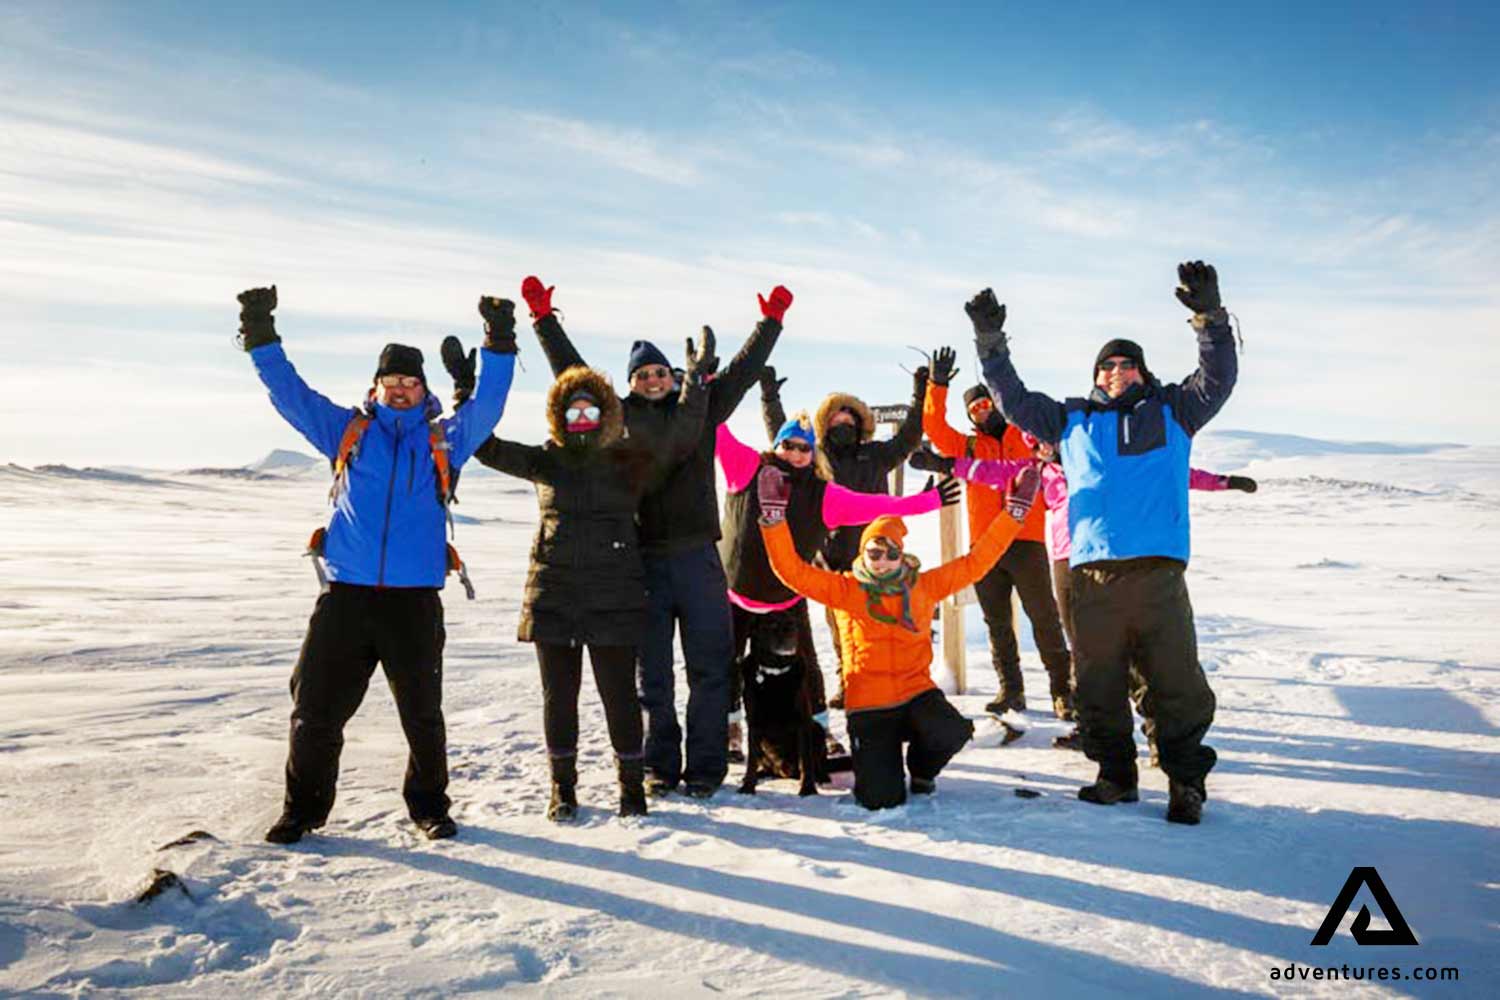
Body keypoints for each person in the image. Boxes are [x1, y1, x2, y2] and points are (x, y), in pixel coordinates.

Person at [238, 286, 517, 844]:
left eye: (411, 383)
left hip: (413, 602)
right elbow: (290, 393)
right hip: (346, 597)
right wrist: (260, 330)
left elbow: (487, 404)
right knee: (314, 711)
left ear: (423, 389)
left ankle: (430, 807)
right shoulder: (346, 432)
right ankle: (302, 812)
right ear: (376, 388)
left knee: (422, 715)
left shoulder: (444, 440)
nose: (402, 391)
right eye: (392, 384)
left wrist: (499, 340)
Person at [972, 260, 1239, 825]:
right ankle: (1116, 776)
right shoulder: (1071, 419)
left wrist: (1209, 317)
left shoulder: (1175, 411)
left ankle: (1185, 781)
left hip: (1159, 575)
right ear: (1097, 374)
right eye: (1108, 364)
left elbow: (1218, 378)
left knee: (1176, 681)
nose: (1118, 370)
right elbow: (1013, 400)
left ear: (1142, 370)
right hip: (1092, 576)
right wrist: (991, 343)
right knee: (1097, 682)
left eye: (1128, 363)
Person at [522, 276, 790, 798]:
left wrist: (770, 324)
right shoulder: (616, 419)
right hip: (640, 562)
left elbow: (740, 373)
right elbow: (573, 375)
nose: (651, 379)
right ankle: (659, 767)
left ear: (674, 375)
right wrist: (543, 320)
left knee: (711, 669)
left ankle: (707, 770)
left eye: (659, 371)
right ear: (631, 382)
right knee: (654, 678)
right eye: (642, 374)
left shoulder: (703, 407)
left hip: (697, 559)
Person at [469, 330, 714, 821]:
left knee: (620, 696)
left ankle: (632, 788)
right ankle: (563, 789)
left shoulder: (629, 462)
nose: (583, 419)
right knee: (558, 699)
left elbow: (682, 437)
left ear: (606, 414)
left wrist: (697, 386)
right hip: (555, 595)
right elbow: (486, 449)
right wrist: (463, 392)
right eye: (573, 412)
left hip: (614, 595)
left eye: (591, 410)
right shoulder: (545, 459)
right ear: (560, 417)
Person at [924, 434, 1257, 750]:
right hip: (1065, 562)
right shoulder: (1036, 470)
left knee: (1127, 648)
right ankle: (1089, 726)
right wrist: (944, 466)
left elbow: (1164, 474)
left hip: (1105, 559)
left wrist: (1224, 482)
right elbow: (987, 470)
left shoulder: (1096, 459)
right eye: (1035, 445)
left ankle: (1157, 730)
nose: (1041, 449)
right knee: (1084, 650)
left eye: (1045, 442)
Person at [757, 465, 1040, 809]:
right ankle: (880, 765)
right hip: (869, 706)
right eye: (875, 552)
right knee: (880, 799)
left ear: (901, 555)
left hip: (914, 694)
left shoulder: (923, 585)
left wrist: (1014, 514)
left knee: (951, 730)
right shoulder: (845, 589)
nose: (882, 561)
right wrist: (773, 519)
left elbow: (976, 562)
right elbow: (792, 570)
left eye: (891, 553)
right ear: (864, 553)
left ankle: (922, 770)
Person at [715, 415, 961, 769]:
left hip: (787, 595)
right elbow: (718, 429)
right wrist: (701, 385)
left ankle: (820, 731)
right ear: (776, 446)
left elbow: (876, 505)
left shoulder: (825, 496)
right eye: (788, 446)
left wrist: (927, 502)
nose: (796, 454)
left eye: (804, 449)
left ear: (813, 455)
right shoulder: (748, 469)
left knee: (807, 668)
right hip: (737, 593)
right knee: (727, 664)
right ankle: (729, 727)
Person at [759, 365, 928, 707]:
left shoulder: (877, 455)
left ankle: (900, 684)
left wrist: (920, 394)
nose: (843, 427)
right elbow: (783, 439)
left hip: (878, 559)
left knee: (888, 624)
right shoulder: (817, 458)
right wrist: (769, 397)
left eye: (849, 422)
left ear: (860, 425)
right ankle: (850, 681)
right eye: (835, 422)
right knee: (843, 630)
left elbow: (909, 437)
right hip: (835, 561)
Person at [919, 350, 1072, 719]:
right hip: (985, 548)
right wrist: (935, 386)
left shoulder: (1025, 437)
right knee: (997, 623)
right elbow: (935, 429)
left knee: (1044, 618)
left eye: (986, 403)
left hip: (1026, 541)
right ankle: (1011, 691)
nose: (981, 411)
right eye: (973, 409)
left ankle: (1063, 691)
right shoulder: (969, 446)